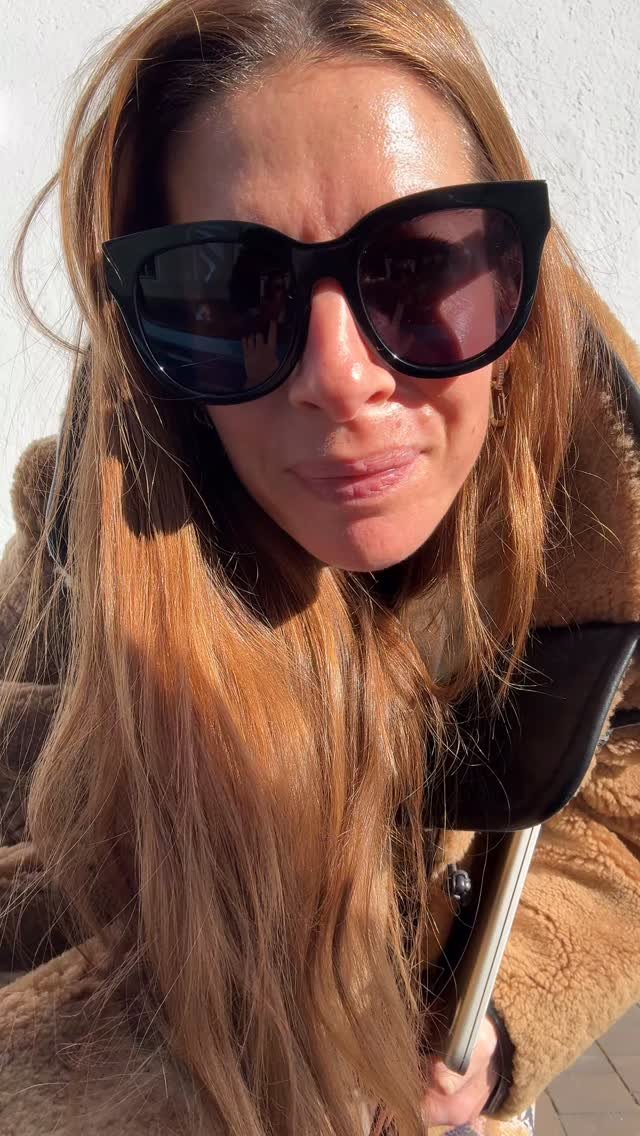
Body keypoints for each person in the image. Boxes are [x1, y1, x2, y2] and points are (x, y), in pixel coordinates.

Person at [0, 1, 638, 1133]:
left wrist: (493, 1017)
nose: (339, 378)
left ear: (512, 266)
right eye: (229, 290)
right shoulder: (84, 567)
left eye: (418, 267)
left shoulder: (614, 527)